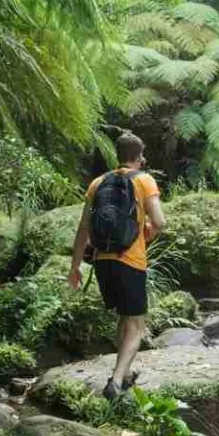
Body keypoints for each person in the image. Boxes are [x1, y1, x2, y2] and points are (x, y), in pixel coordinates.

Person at [69, 133, 166, 400]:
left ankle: (121, 373)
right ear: (140, 157)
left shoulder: (98, 183)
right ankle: (115, 382)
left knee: (123, 317)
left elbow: (82, 228)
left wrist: (75, 267)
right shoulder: (144, 180)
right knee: (136, 325)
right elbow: (160, 221)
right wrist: (145, 234)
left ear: (117, 155)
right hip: (130, 261)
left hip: (102, 262)